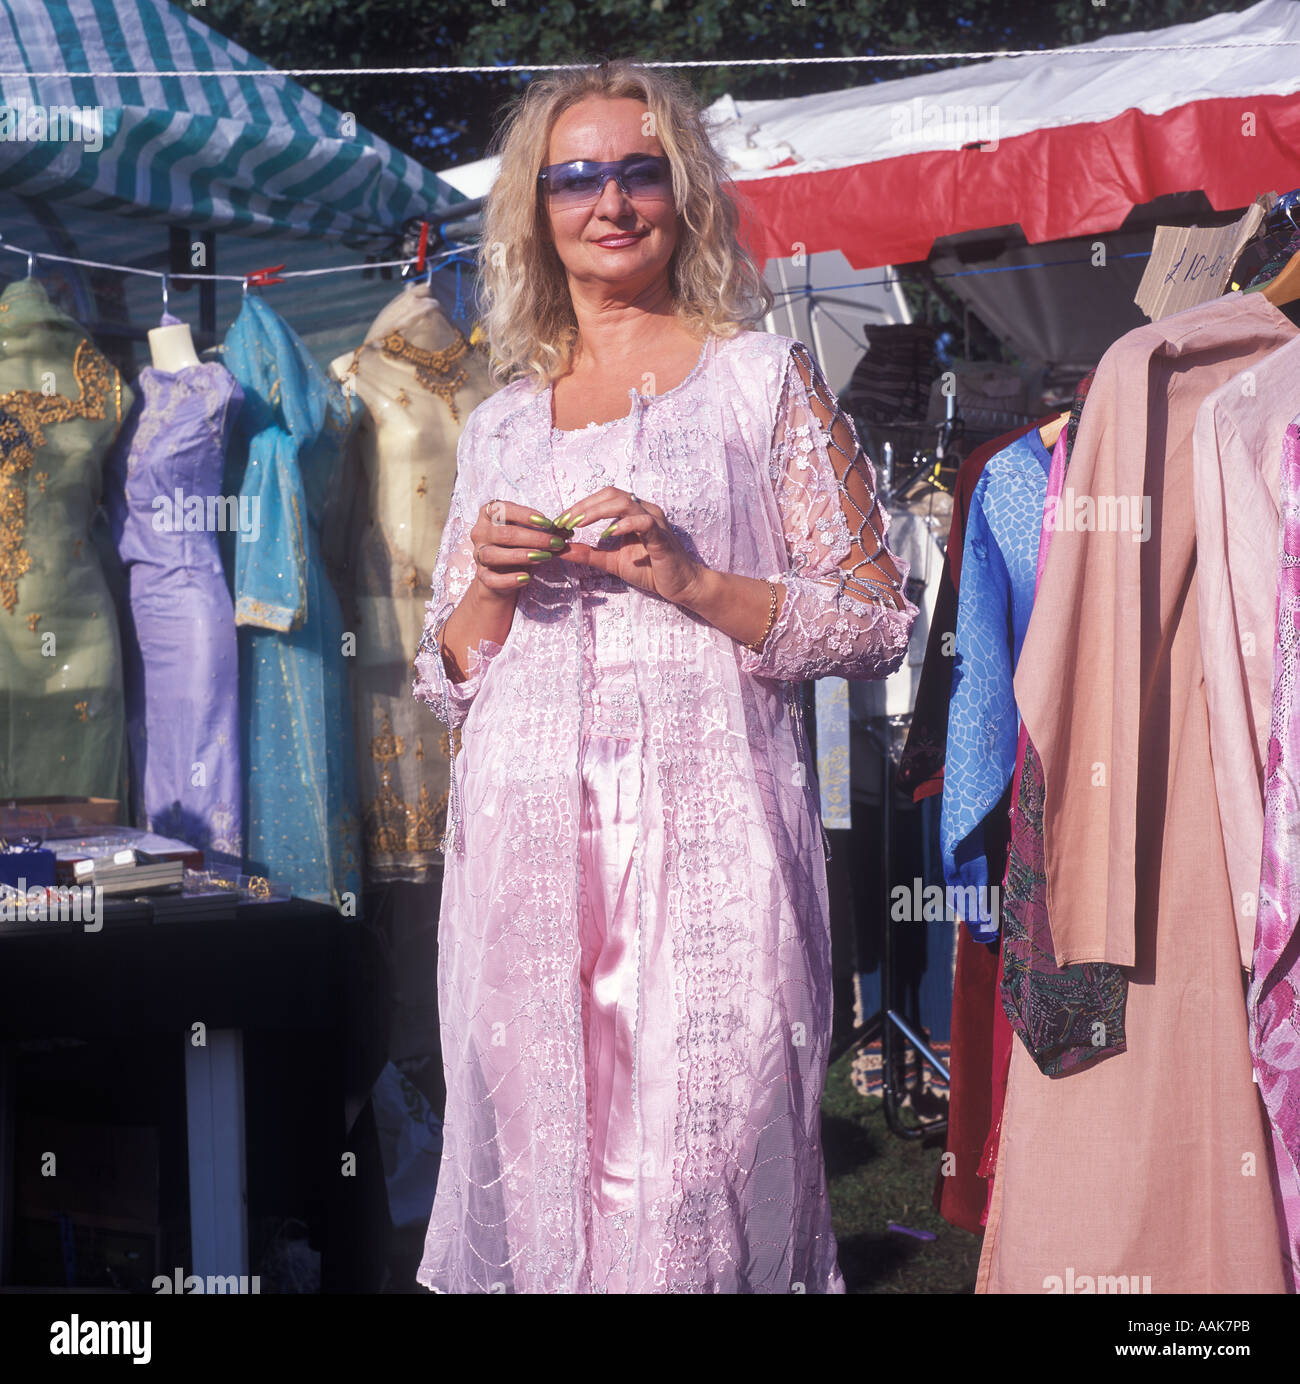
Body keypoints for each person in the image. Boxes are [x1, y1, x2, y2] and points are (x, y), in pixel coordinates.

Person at [412, 57, 917, 1294]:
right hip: (527, 859)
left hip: (707, 850)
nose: (611, 201)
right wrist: (490, 584)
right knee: (546, 1165)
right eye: (575, 177)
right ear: (538, 211)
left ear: (683, 194)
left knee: (697, 1163)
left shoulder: (760, 381)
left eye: (639, 171)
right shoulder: (498, 425)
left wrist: (693, 580)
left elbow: (874, 620)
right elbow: (450, 675)